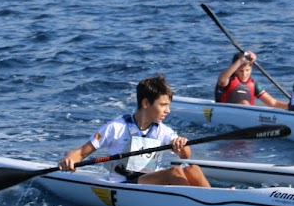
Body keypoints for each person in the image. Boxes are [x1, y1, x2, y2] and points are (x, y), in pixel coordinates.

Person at [59, 74, 210, 187]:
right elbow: (81, 152)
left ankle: (213, 199)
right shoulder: (116, 127)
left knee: (193, 169)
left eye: (168, 105)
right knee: (174, 172)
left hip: (149, 181)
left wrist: (181, 145)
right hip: (125, 184)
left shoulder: (162, 130)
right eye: (163, 105)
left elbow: (185, 155)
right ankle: (199, 205)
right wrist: (69, 160)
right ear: (145, 103)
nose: (168, 110)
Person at [215, 51, 288, 109]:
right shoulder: (228, 80)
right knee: (244, 103)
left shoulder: (254, 85)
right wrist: (241, 61)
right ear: (235, 70)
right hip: (225, 113)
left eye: (247, 70)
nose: (244, 74)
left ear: (251, 69)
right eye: (241, 71)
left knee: (245, 103)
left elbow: (273, 103)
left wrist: (293, 107)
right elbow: (221, 80)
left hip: (246, 115)